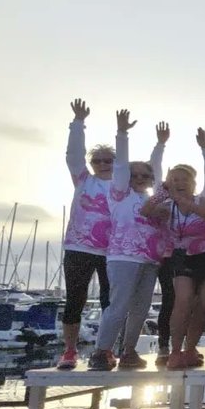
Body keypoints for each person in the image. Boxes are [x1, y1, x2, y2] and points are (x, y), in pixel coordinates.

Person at [58, 100, 163, 370]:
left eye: (110, 160)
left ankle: (120, 351)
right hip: (88, 249)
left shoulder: (140, 193)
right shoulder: (92, 182)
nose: (103, 164)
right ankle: (74, 351)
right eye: (98, 160)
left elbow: (153, 172)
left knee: (122, 305)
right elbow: (73, 156)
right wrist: (80, 123)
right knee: (79, 301)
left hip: (126, 254)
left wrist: (159, 146)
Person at [87, 112, 168, 370]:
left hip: (149, 260)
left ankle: (129, 351)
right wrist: (122, 133)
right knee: (118, 306)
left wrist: (160, 145)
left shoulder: (152, 200)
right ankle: (101, 351)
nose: (141, 178)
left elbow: (155, 169)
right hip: (123, 258)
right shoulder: (119, 193)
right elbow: (121, 166)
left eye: (145, 176)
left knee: (141, 309)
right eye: (136, 175)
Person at [162, 132, 205, 370]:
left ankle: (190, 348)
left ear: (194, 183)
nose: (179, 183)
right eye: (174, 179)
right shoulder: (166, 207)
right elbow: (146, 212)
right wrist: (163, 193)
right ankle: (175, 351)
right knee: (184, 300)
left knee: (204, 303)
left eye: (184, 179)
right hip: (182, 257)